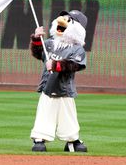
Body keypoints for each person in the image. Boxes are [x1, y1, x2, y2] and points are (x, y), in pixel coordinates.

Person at [30, 10, 88, 153]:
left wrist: (56, 65)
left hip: (65, 89)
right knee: (45, 112)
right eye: (63, 17)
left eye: (69, 20)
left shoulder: (77, 49)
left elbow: (75, 65)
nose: (62, 20)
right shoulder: (50, 43)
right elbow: (39, 53)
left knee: (68, 115)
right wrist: (36, 39)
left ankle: (72, 141)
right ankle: (39, 138)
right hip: (48, 87)